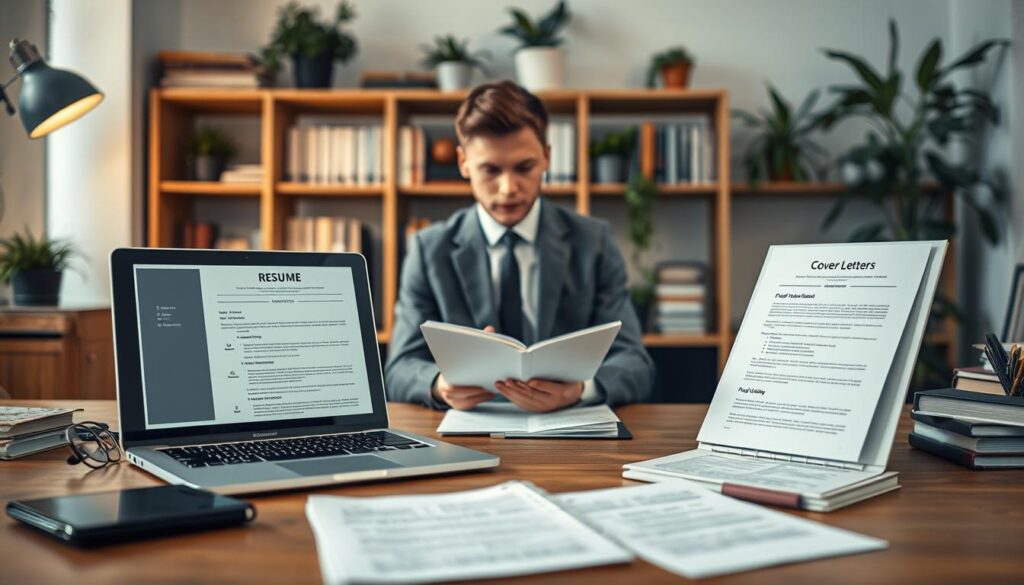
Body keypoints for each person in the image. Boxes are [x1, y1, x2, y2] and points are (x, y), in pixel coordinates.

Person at [385, 80, 654, 412]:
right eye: (490, 170)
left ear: (546, 157)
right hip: (467, 433)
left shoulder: (593, 241)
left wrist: (581, 390)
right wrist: (439, 385)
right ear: (463, 163)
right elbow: (399, 368)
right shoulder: (428, 249)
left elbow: (635, 363)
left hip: (569, 432)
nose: (508, 188)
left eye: (524, 168)